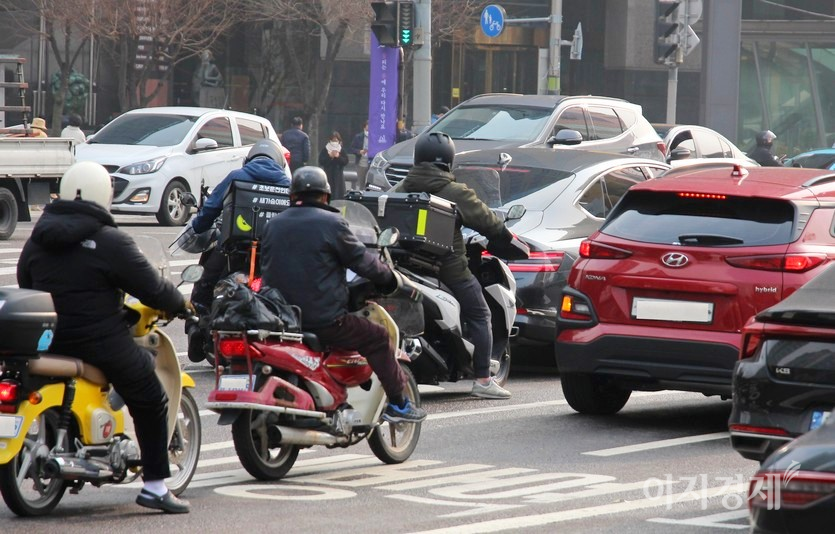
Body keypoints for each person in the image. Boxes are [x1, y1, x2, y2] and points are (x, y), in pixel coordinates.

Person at [16, 161, 191, 513]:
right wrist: (180, 303)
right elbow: (152, 288)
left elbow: (25, 283)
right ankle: (156, 487)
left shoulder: (39, 239)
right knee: (149, 393)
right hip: (98, 341)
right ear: (103, 196)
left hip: (47, 340)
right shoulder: (109, 241)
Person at [261, 166, 427, 423]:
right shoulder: (332, 223)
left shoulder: (273, 225)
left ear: (292, 196)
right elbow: (364, 262)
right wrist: (391, 279)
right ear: (326, 196)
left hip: (279, 319)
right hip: (324, 321)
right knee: (378, 337)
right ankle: (399, 404)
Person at [398, 132, 514, 399]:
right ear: (448, 162)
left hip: (405, 264)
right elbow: (488, 221)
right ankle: (483, 380)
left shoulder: (401, 188)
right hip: (448, 268)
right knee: (480, 314)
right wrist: (506, 237)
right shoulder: (455, 192)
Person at [185, 138, 290, 362]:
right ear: (279, 162)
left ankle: (196, 327)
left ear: (249, 159)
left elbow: (211, 208)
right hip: (272, 255)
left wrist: (198, 226)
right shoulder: (287, 183)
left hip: (230, 252)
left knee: (204, 283)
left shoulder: (236, 176)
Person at [318, 130, 349, 200]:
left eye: (336, 140)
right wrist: (330, 157)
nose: (334, 142)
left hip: (338, 176)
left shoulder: (341, 150)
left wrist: (338, 157)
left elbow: (345, 161)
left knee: (338, 195)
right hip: (328, 174)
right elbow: (321, 161)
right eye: (333, 140)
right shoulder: (325, 149)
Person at [350, 121, 370, 190]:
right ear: (364, 126)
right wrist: (359, 151)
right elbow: (352, 148)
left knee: (369, 183)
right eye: (368, 125)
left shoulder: (374, 137)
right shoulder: (358, 137)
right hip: (361, 162)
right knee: (360, 182)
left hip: (371, 163)